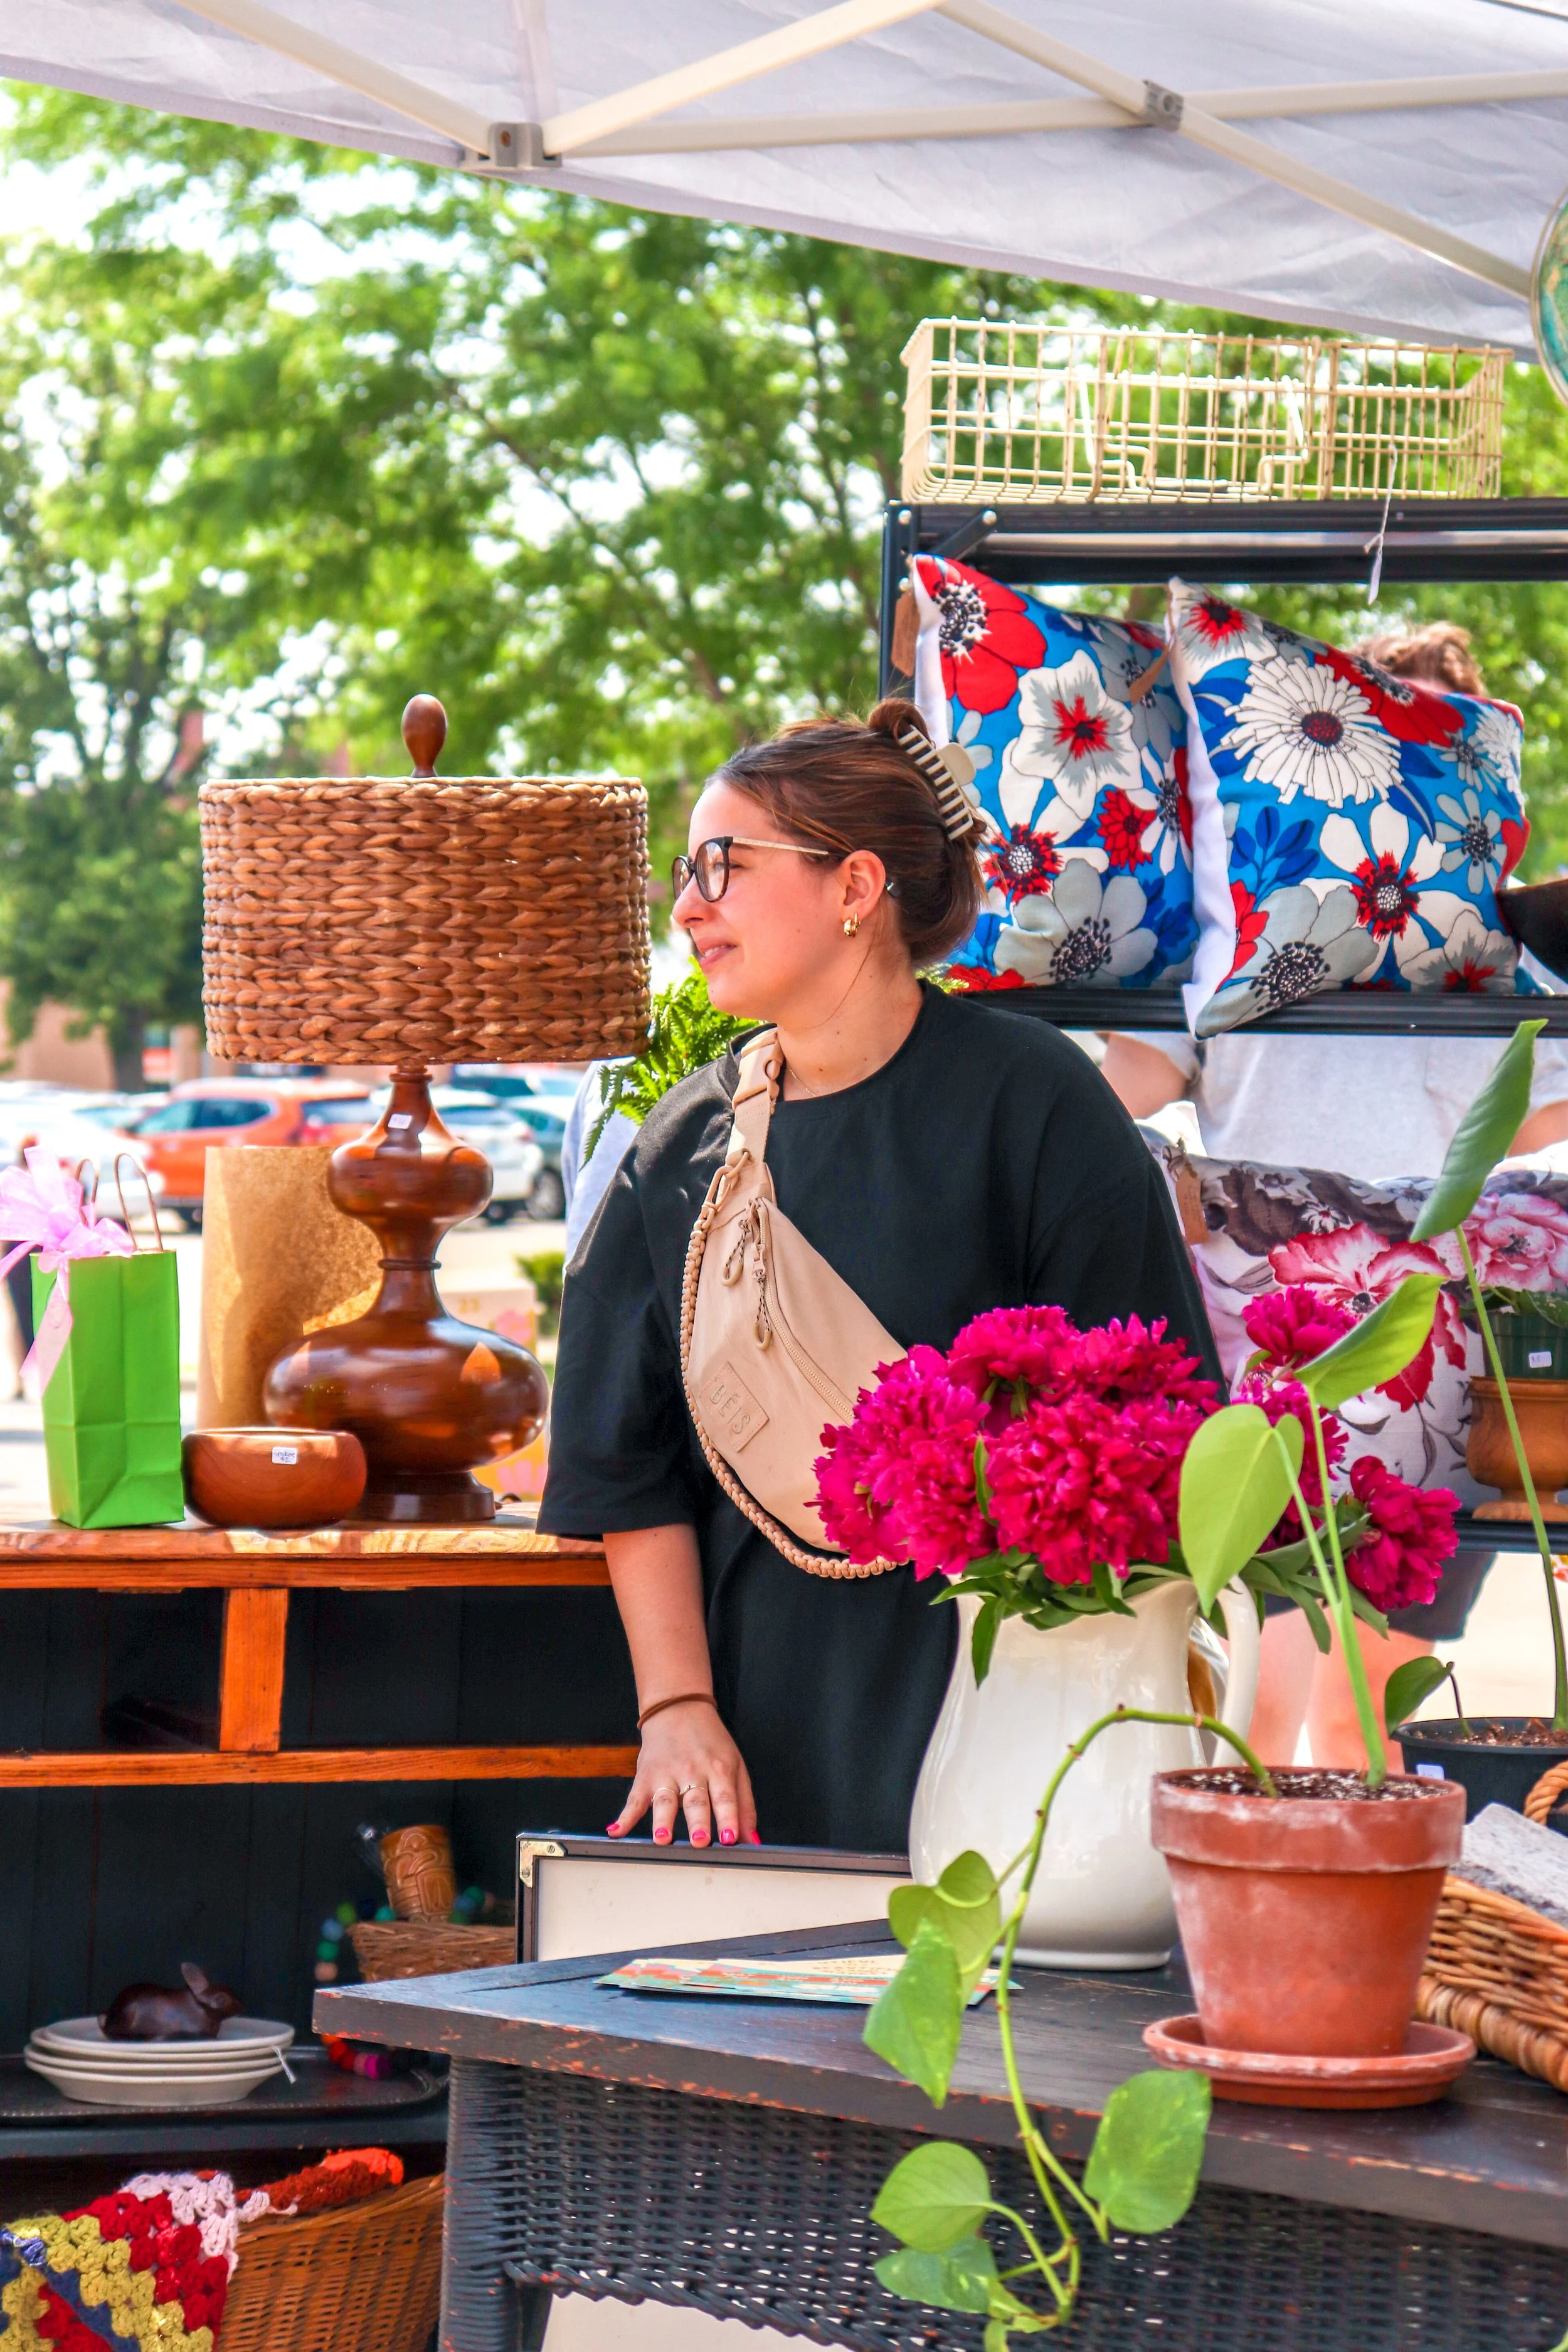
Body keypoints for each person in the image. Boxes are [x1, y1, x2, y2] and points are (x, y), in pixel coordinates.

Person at [538, 698, 1222, 1853]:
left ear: (856, 888)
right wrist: (678, 1711)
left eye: (724, 864)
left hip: (1018, 1703)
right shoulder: (684, 1144)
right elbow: (626, 1466)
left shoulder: (1035, 1099)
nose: (689, 905)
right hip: (754, 1741)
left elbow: (1158, 1423)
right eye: (686, 870)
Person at [1101, 620, 1568, 1766]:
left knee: (1368, 1707)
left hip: (1427, 1372)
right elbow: (1124, 1088)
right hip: (1281, 1366)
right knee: (1265, 1700)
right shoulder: (1236, 958)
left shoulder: (1507, 973)